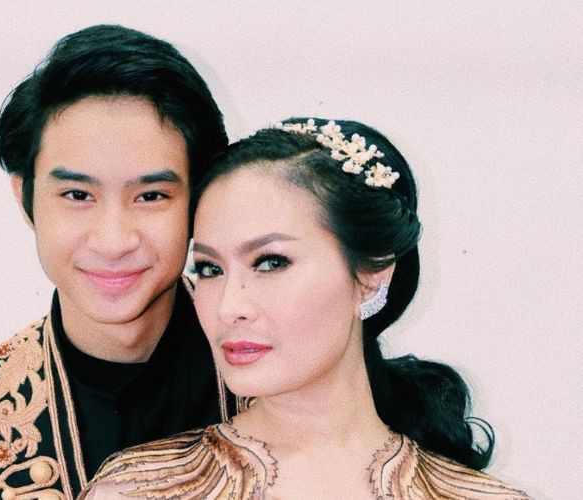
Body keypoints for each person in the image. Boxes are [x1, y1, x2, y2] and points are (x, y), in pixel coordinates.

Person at [81, 118, 530, 499]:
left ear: (371, 276)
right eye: (210, 269)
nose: (229, 307)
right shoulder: (136, 490)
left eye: (271, 263)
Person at [0, 24, 235, 499]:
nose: (114, 242)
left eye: (151, 195)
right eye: (77, 195)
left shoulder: (276, 372)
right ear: (25, 198)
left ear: (198, 199)